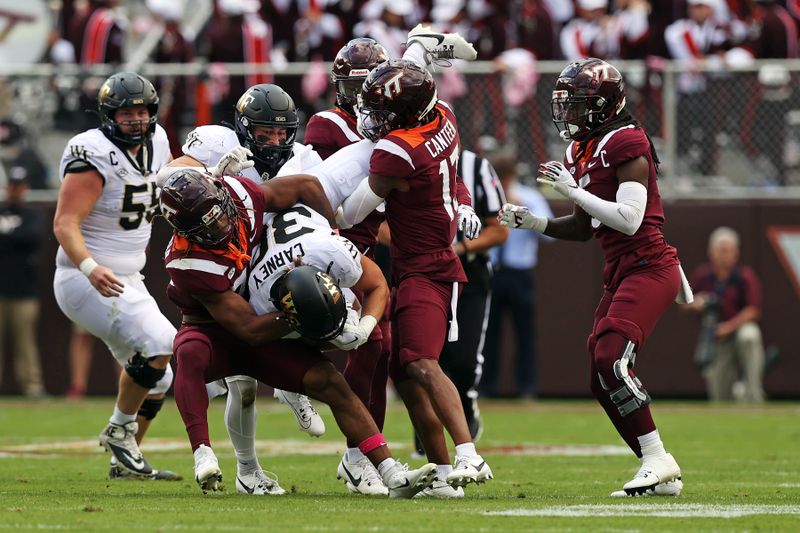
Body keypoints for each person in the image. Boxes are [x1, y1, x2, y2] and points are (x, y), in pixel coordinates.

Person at [158, 167, 438, 498]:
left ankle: (391, 473)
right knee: (188, 352)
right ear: (185, 232)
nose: (221, 225)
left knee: (332, 382)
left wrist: (331, 231)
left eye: (220, 214)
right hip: (217, 332)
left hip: (267, 317)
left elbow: (306, 184)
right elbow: (247, 330)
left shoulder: (242, 197)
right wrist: (299, 312)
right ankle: (203, 452)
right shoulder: (190, 261)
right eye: (207, 225)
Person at [499, 58, 692, 497]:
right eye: (564, 105)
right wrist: (534, 223)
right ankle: (657, 464)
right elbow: (584, 228)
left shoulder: (627, 140)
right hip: (621, 269)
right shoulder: (580, 151)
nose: (567, 115)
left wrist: (573, 190)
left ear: (603, 104)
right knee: (598, 375)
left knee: (611, 359)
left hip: (649, 265)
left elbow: (629, 219)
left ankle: (659, 458)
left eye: (577, 105)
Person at [336, 56, 494, 495]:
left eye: (384, 110)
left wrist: (309, 193)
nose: (374, 118)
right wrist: (461, 202)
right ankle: (443, 476)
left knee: (423, 364)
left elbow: (350, 210)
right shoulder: (441, 115)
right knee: (405, 375)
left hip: (429, 267)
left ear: (406, 113)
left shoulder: (397, 149)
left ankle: (469, 454)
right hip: (411, 263)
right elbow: (453, 172)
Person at [175, 83, 328, 455]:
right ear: (244, 130)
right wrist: (210, 173)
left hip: (276, 264)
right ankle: (248, 470)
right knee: (241, 383)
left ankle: (291, 389)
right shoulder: (218, 142)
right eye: (265, 133)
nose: (275, 141)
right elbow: (169, 178)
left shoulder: (305, 159)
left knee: (315, 305)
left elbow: (320, 204)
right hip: (230, 267)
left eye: (282, 132)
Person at [52, 72, 179, 481]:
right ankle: (120, 428)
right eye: (127, 113)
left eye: (142, 111)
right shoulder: (93, 152)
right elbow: (64, 223)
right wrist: (90, 267)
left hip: (128, 278)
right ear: (109, 116)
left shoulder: (158, 142)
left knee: (160, 377)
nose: (136, 120)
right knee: (161, 341)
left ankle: (124, 462)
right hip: (83, 277)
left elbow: (172, 178)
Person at [305, 37, 393, 496]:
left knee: (381, 351)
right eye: (353, 85)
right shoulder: (328, 125)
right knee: (373, 341)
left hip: (365, 249)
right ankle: (359, 454)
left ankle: (362, 452)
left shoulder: (391, 122)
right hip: (334, 243)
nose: (361, 94)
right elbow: (316, 194)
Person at [414, 148, 508, 459]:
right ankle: (426, 431)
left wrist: (460, 247)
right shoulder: (403, 160)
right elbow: (380, 224)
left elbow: (499, 229)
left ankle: (466, 407)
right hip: (423, 272)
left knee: (465, 359)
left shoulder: (477, 167)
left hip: (468, 272)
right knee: (426, 357)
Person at [481, 152, 552, 399]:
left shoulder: (530, 197)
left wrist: (524, 209)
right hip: (492, 270)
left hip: (520, 272)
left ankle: (527, 387)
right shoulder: (485, 196)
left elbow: (550, 233)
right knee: (488, 333)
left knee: (525, 332)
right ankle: (485, 387)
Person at [687, 227, 766, 403]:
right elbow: (684, 303)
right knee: (719, 394)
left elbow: (753, 310)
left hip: (737, 330)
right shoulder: (703, 276)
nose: (724, 255)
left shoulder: (745, 276)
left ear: (736, 253)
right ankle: (732, 398)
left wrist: (729, 327)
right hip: (714, 335)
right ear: (711, 252)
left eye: (728, 250)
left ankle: (754, 395)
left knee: (750, 335)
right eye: (720, 250)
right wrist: (697, 303)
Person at [0, 173, 46, 398]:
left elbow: (31, 237)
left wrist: (7, 235)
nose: (15, 190)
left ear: (25, 188)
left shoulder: (32, 213)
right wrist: (13, 236)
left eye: (19, 186)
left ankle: (32, 387)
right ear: (7, 187)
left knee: (26, 343)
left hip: (25, 290)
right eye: (12, 186)